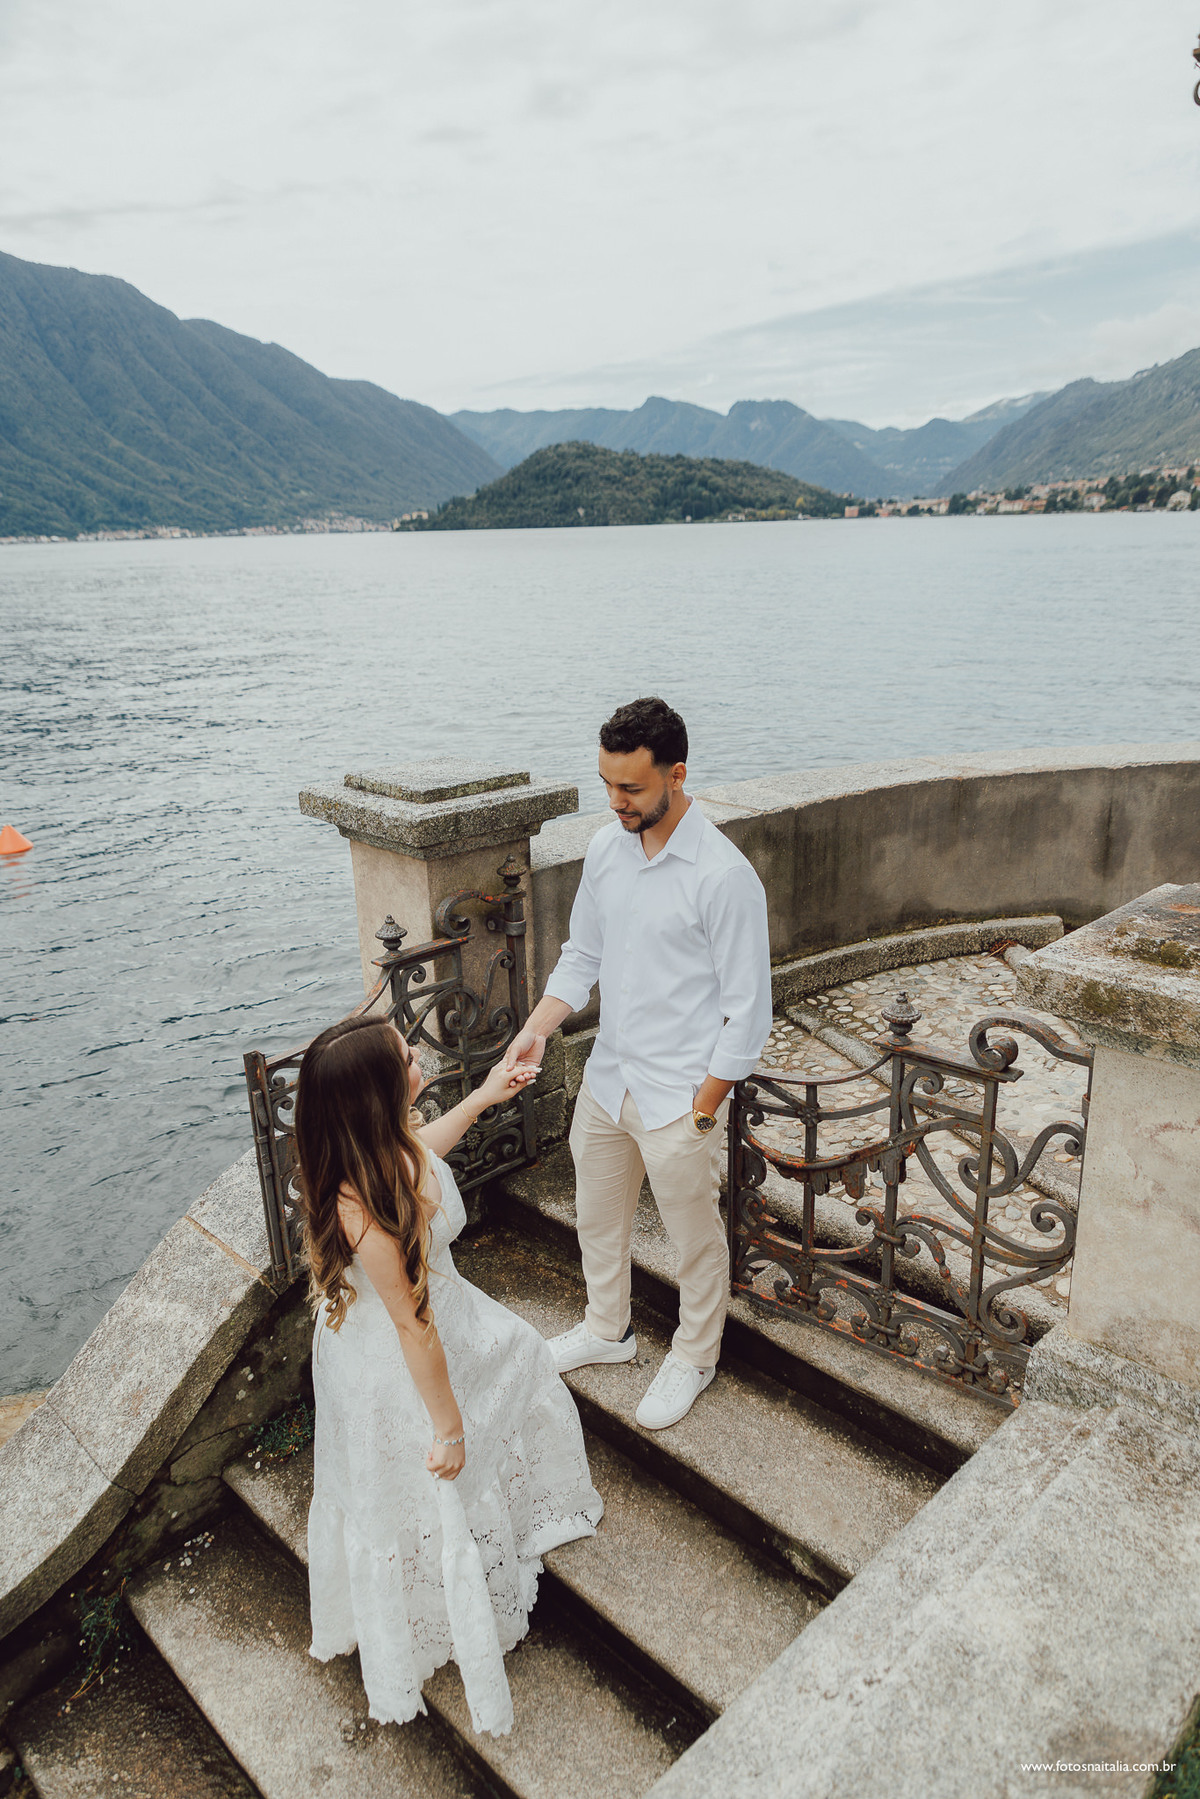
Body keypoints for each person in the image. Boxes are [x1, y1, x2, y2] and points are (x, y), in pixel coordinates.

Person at [295, 1014, 602, 1737]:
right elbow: (414, 1325)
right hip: (397, 1356)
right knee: (429, 1474)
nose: (420, 1059)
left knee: (522, 1354)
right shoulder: (363, 1208)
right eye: (408, 1057)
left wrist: (485, 1096)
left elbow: (422, 1148)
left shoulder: (374, 1147)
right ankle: (439, 1605)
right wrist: (450, 1426)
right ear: (378, 1094)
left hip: (424, 1324)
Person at [506, 696, 772, 1430]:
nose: (615, 801)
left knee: (694, 1243)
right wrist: (537, 1028)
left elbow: (749, 1013)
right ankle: (607, 1329)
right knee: (596, 1219)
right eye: (606, 784)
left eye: (631, 788)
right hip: (608, 1078)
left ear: (677, 775)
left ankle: (695, 1355)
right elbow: (581, 956)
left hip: (680, 1097)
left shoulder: (723, 877)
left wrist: (704, 1111)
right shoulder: (605, 849)